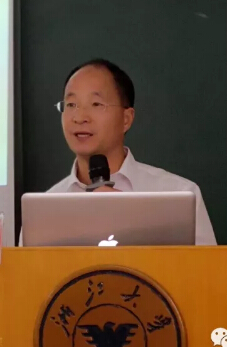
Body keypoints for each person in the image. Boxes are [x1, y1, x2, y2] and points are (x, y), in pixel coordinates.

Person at [43, 58, 217, 245]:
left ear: (126, 119)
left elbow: (206, 265)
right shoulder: (45, 211)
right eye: (71, 105)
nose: (80, 117)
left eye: (96, 104)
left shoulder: (179, 196)